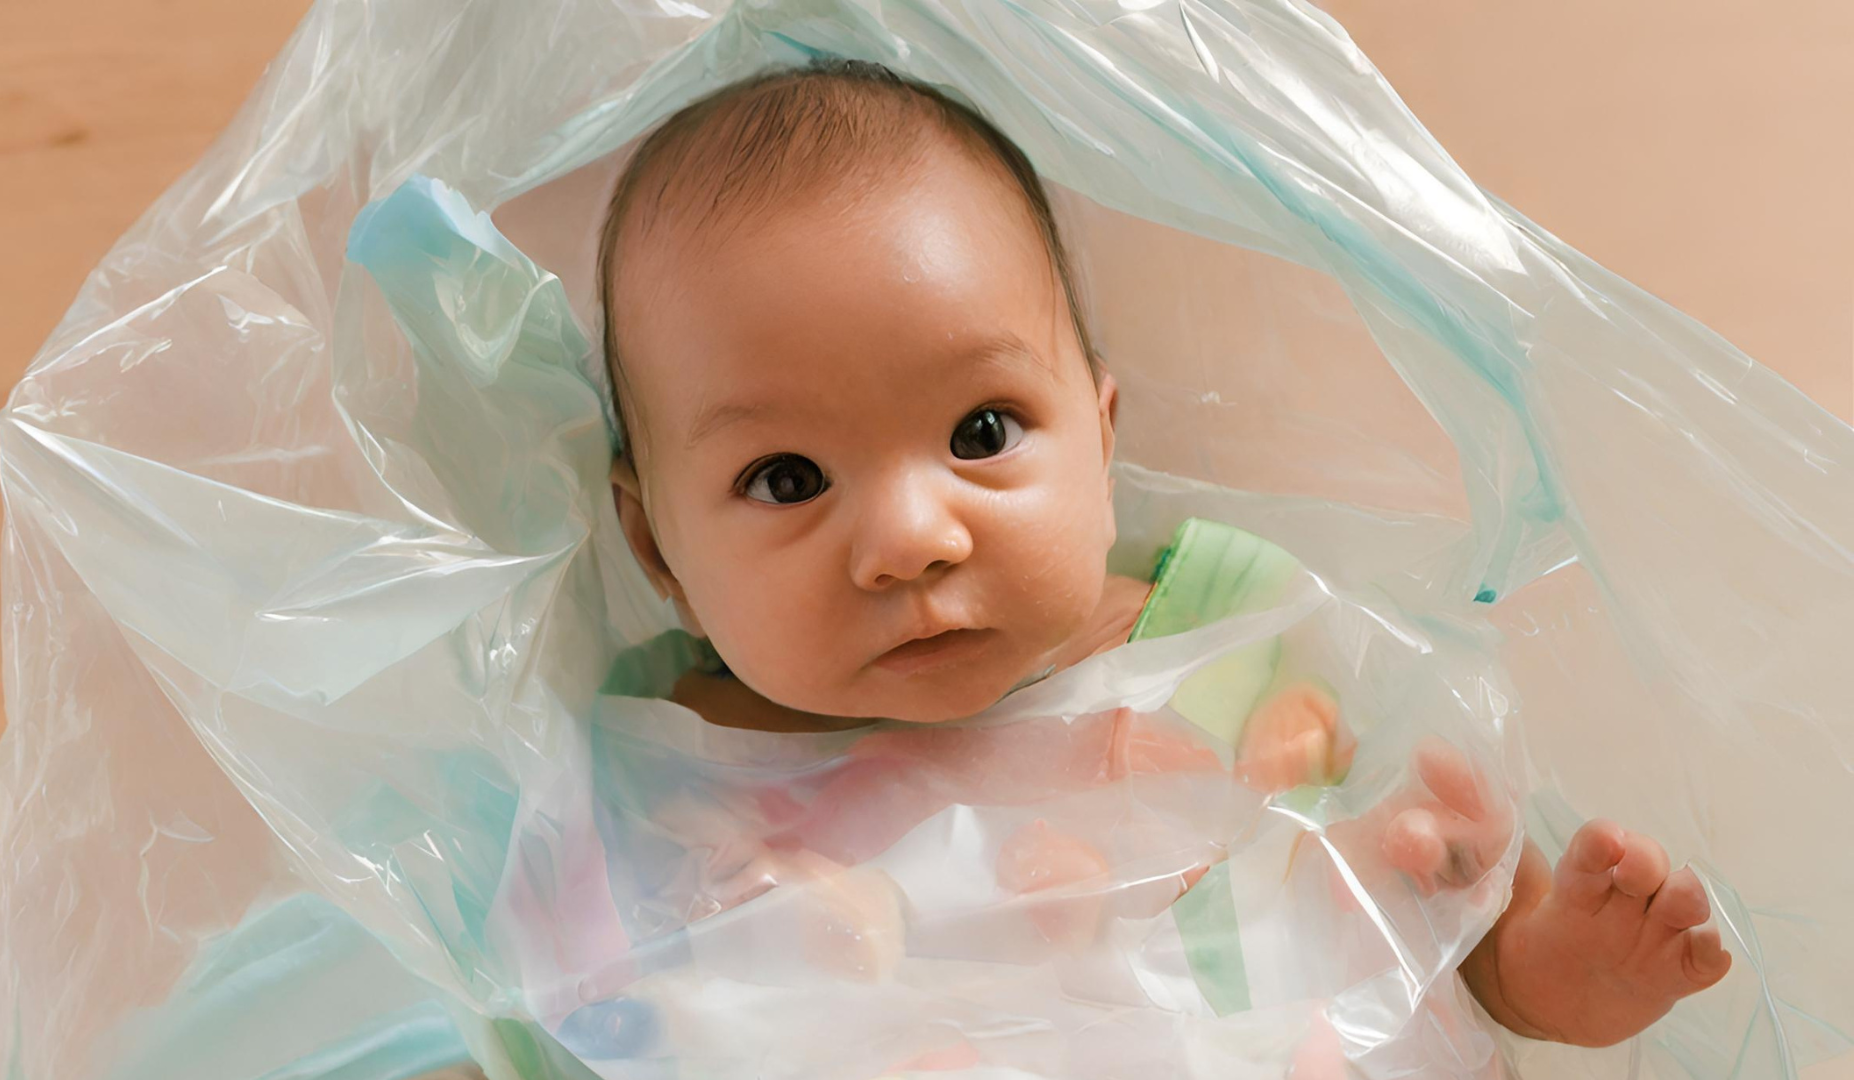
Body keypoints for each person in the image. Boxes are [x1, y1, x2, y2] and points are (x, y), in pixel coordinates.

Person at [593, 59, 1730, 1060]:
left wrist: (1542, 967)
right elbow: (580, 1019)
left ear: (1102, 434)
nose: (910, 541)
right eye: (787, 478)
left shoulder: (1231, 641)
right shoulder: (669, 781)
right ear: (657, 548)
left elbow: (1421, 947)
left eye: (981, 434)